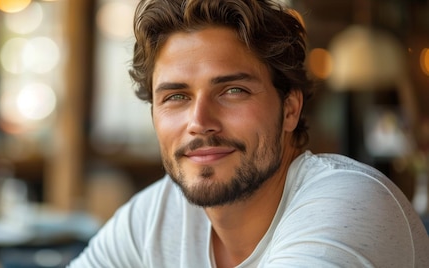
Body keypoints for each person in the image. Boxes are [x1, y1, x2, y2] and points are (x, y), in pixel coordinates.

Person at [70, 0, 429, 267]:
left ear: (290, 109)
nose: (200, 120)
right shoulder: (156, 215)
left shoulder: (352, 201)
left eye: (232, 91)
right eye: (176, 97)